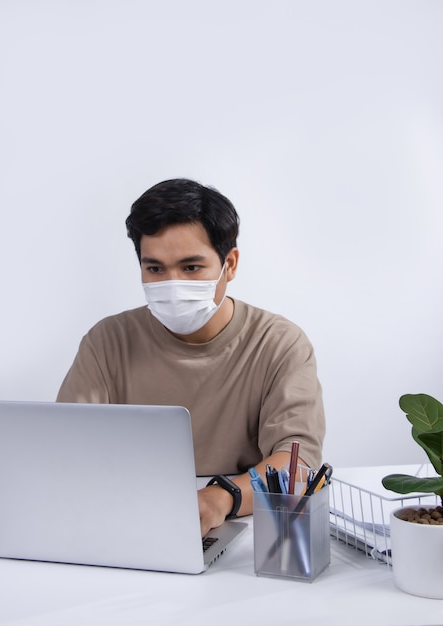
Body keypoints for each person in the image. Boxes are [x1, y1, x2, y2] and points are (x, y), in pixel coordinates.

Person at [57, 178, 325, 536]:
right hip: (128, 520)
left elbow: (296, 463)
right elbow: (63, 447)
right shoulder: (107, 341)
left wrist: (221, 498)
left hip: (241, 528)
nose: (172, 283)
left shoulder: (279, 344)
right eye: (155, 269)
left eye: (191, 268)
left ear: (229, 264)